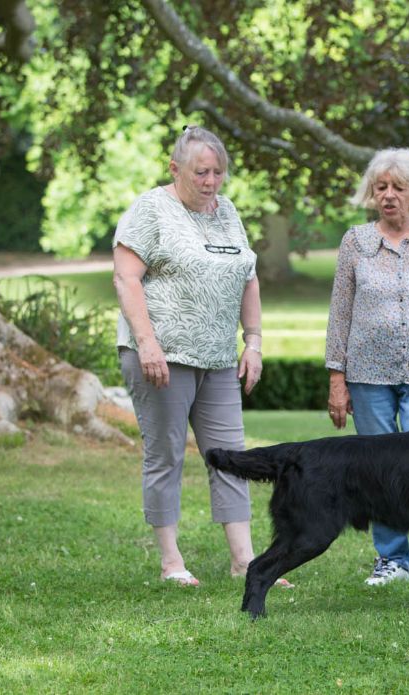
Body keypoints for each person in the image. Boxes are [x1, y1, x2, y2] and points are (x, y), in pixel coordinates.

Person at [113, 125, 291, 589]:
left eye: (218, 172)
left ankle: (245, 561)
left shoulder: (227, 212)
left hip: (218, 359)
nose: (211, 181)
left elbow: (248, 277)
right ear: (175, 169)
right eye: (200, 172)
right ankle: (172, 561)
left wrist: (252, 342)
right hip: (161, 356)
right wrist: (148, 343)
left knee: (230, 455)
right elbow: (126, 279)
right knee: (166, 453)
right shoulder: (151, 209)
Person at [325, 147, 409, 592]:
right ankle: (391, 559)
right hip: (366, 374)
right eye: (381, 187)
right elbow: (340, 313)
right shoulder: (355, 242)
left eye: (398, 188)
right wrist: (336, 378)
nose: (388, 196)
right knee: (378, 469)